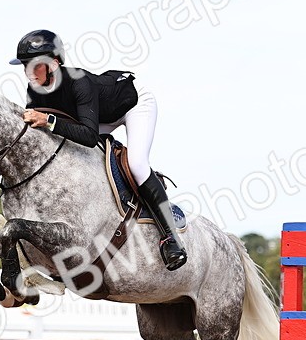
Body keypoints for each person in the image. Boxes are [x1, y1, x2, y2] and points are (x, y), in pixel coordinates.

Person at [11, 29, 187, 271]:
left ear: (53, 63)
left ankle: (170, 237)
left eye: (34, 65)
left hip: (132, 105)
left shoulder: (78, 82)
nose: (28, 72)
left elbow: (89, 135)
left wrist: (50, 121)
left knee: (136, 164)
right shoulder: (35, 90)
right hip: (95, 116)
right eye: (25, 66)